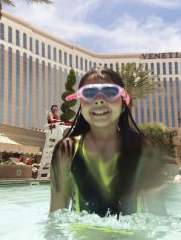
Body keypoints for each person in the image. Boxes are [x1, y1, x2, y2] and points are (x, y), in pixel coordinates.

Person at [49, 67, 166, 217]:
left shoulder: (144, 149)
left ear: (123, 104)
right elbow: (55, 215)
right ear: (81, 105)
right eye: (89, 93)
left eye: (110, 92)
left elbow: (159, 214)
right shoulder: (66, 150)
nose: (99, 100)